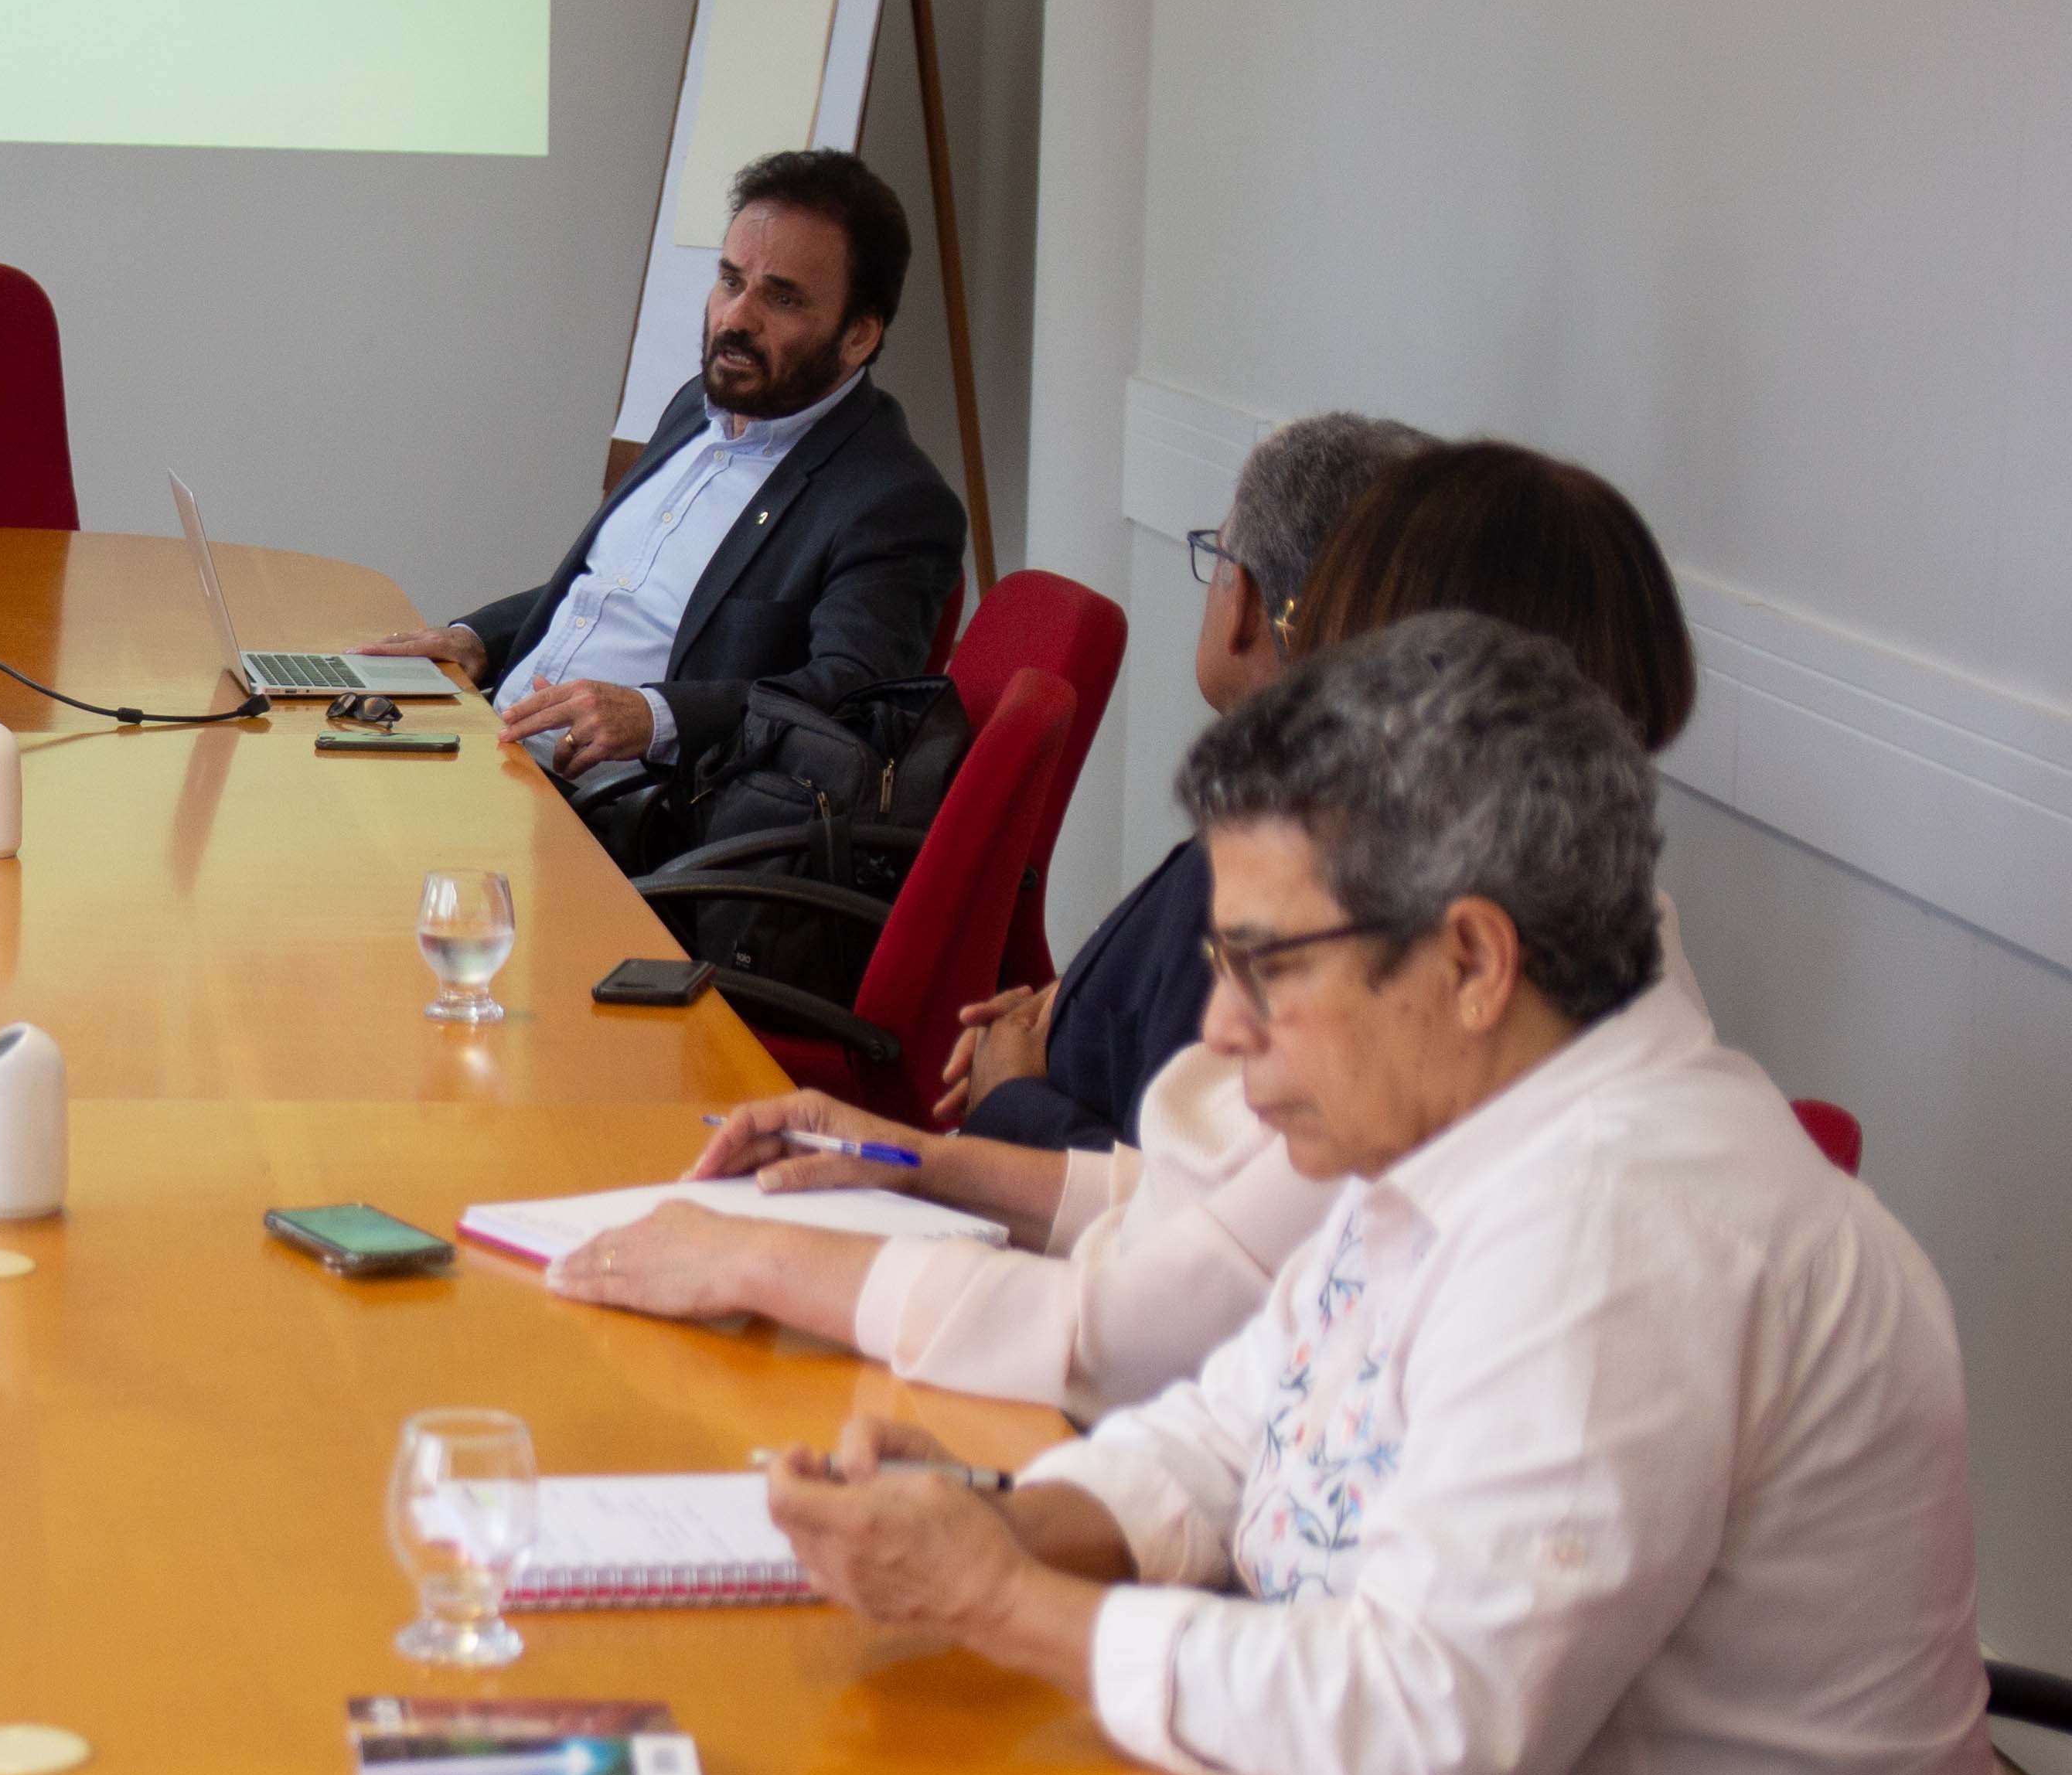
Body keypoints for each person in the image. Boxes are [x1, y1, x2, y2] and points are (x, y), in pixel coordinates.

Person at [754, 614, 2053, 1775]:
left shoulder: (1625, 1224)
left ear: (1470, 961)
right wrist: (999, 1518)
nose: (1220, 1033)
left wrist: (997, 1600)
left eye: (1263, 968)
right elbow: (1238, 1429)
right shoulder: (1457, 1134)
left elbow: (1429, 1721)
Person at [555, 439, 1700, 1420]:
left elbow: (1140, 1328)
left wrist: (763, 1257)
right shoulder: (1542, 930)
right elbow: (1204, 1237)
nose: (1235, 1032)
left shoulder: (1528, 1107)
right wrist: (906, 1159)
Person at [359, 148, 966, 847]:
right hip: (495, 751)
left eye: (783, 297)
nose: (736, 319)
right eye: (730, 281)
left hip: (618, 829)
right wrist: (473, 641)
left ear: (859, 335)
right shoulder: (695, 409)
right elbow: (613, 589)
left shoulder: (892, 501)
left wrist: (658, 717)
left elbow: (854, 705)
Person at [945, 413, 1436, 1149]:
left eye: (1219, 558)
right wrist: (1057, 1010)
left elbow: (1174, 1194)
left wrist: (1009, 1095)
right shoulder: (1403, 808)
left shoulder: (1286, 858)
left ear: (1247, 606)